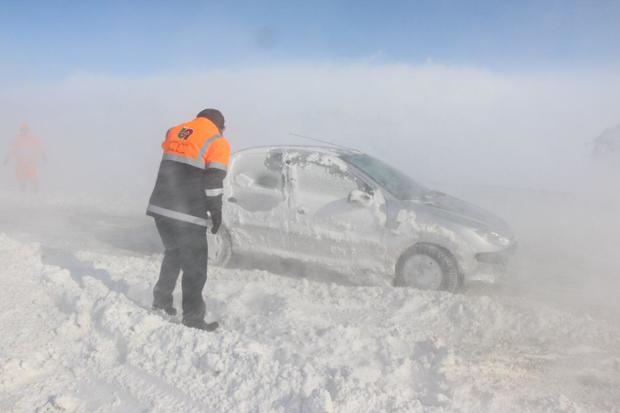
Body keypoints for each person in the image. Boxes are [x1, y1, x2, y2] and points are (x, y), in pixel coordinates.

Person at [146, 109, 230, 331]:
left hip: (160, 207)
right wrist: (216, 211)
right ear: (220, 125)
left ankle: (161, 300)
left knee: (173, 253)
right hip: (187, 213)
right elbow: (213, 181)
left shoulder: (175, 131)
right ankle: (192, 318)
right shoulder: (217, 142)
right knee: (195, 266)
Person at [3, 123, 44, 192]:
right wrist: (7, 159)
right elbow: (12, 150)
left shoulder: (33, 138)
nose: (24, 131)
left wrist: (43, 155)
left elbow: (39, 147)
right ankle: (23, 193)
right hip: (20, 163)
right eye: (22, 130)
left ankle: (35, 192)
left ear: (28, 130)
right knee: (22, 179)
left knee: (33, 178)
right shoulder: (17, 139)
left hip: (31, 162)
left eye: (25, 130)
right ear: (20, 130)